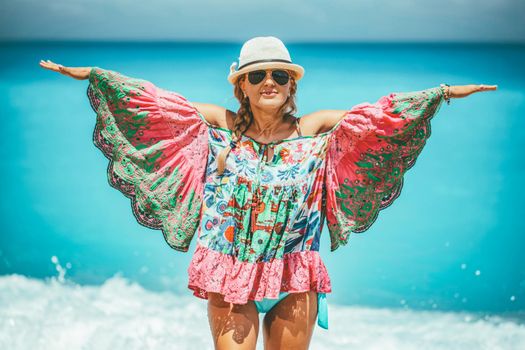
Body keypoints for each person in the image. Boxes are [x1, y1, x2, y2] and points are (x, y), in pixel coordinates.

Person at [39, 36, 497, 350]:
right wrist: (96, 77)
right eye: (257, 76)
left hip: (294, 274)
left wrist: (443, 93)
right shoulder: (216, 124)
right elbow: (153, 103)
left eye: (279, 74)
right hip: (229, 272)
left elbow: (381, 117)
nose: (269, 82)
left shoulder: (314, 128)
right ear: (241, 85)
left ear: (291, 83)